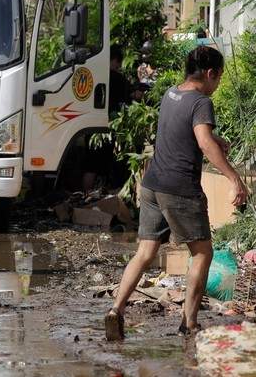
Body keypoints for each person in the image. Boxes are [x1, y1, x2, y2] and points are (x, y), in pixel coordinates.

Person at [105, 45, 249, 341]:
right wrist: (235, 179)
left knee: (145, 253)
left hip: (152, 185)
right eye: (219, 78)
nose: (217, 84)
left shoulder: (172, 94)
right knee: (202, 253)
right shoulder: (201, 102)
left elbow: (186, 130)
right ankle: (189, 323)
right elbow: (203, 143)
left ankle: (116, 310)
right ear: (209, 74)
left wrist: (214, 136)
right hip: (180, 189)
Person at [81, 45, 130, 192]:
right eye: (118, 65)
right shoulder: (118, 79)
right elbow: (125, 102)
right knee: (100, 167)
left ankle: (83, 199)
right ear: (114, 61)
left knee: (90, 167)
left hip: (90, 126)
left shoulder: (91, 76)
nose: (117, 68)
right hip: (107, 128)